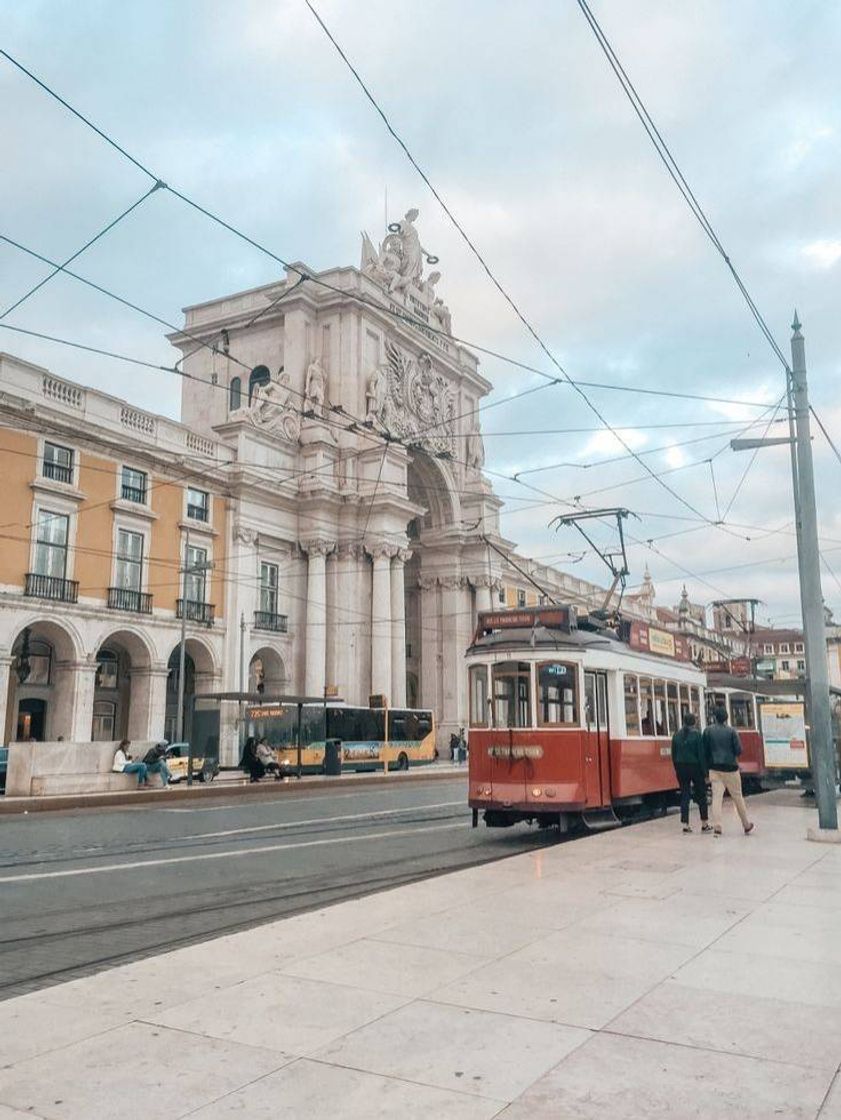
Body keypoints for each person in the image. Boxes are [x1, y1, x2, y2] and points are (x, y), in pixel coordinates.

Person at [702, 705, 754, 836]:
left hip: (714, 768)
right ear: (726, 718)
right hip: (731, 768)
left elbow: (704, 751)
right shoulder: (732, 731)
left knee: (717, 798)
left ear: (715, 718)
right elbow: (739, 750)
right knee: (737, 796)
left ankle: (717, 825)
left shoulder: (707, 731)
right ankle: (746, 824)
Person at [670, 713, 710, 833]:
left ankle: (685, 825)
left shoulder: (676, 735)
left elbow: (673, 754)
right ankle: (704, 824)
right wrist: (705, 773)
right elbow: (701, 755)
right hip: (695, 767)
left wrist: (677, 768)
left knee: (685, 795)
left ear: (683, 722)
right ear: (694, 723)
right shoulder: (697, 735)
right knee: (701, 795)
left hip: (681, 768)